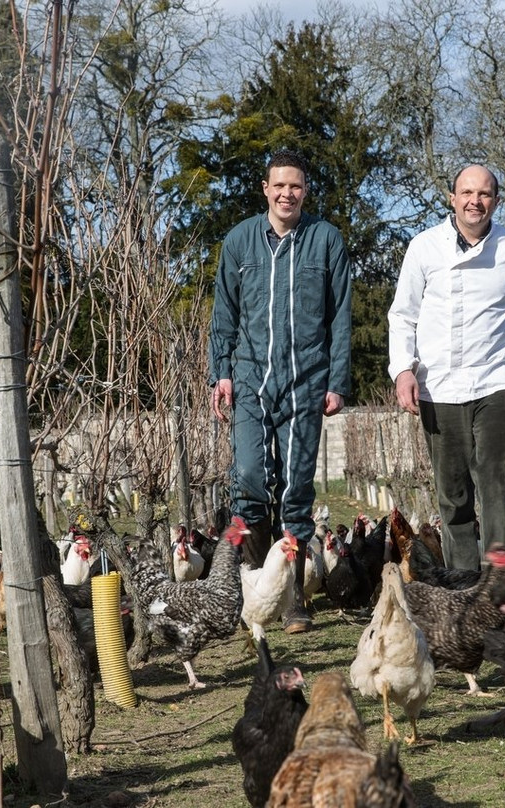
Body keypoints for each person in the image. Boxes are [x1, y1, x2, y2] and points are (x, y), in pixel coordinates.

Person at [209, 149, 352, 632]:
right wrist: (221, 372)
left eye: (296, 185)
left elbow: (340, 318)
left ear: (305, 190)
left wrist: (337, 380)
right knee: (249, 478)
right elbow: (224, 314)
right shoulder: (240, 242)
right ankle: (251, 591)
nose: (287, 193)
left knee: (294, 488)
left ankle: (292, 598)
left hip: (306, 380)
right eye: (279, 185)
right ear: (265, 189)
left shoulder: (326, 241)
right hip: (249, 378)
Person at [388, 164, 505, 570]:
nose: (476, 201)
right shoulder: (424, 248)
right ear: (453, 198)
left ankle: (498, 583)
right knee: (452, 491)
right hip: (439, 385)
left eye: (485, 194)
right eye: (467, 193)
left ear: (496, 201)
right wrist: (403, 370)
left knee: (497, 483)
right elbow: (403, 315)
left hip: (497, 380)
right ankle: (462, 583)